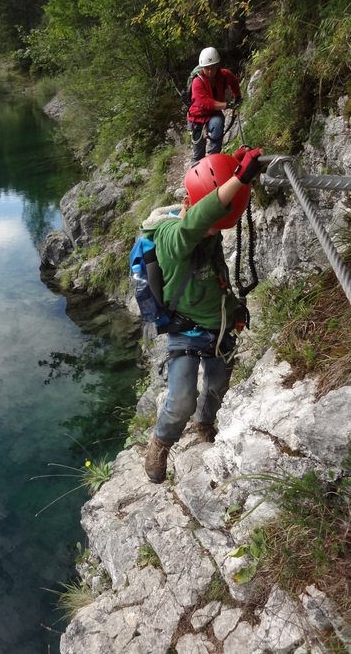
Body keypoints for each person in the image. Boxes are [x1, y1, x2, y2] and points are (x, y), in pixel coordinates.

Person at [142, 147, 263, 484]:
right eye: (210, 225)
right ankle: (161, 442)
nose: (213, 232)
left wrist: (235, 168)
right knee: (181, 400)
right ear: (189, 205)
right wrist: (238, 179)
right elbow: (195, 224)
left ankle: (205, 424)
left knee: (217, 387)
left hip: (220, 326)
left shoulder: (204, 233)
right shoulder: (171, 237)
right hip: (187, 331)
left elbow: (205, 224)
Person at [187, 47, 242, 162]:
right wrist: (226, 105)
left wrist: (237, 96)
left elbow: (234, 82)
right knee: (198, 155)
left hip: (213, 114)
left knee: (218, 123)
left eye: (213, 68)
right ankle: (197, 171)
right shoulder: (197, 82)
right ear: (202, 68)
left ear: (217, 65)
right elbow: (205, 103)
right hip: (197, 118)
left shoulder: (224, 75)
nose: (210, 71)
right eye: (207, 69)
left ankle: (214, 155)